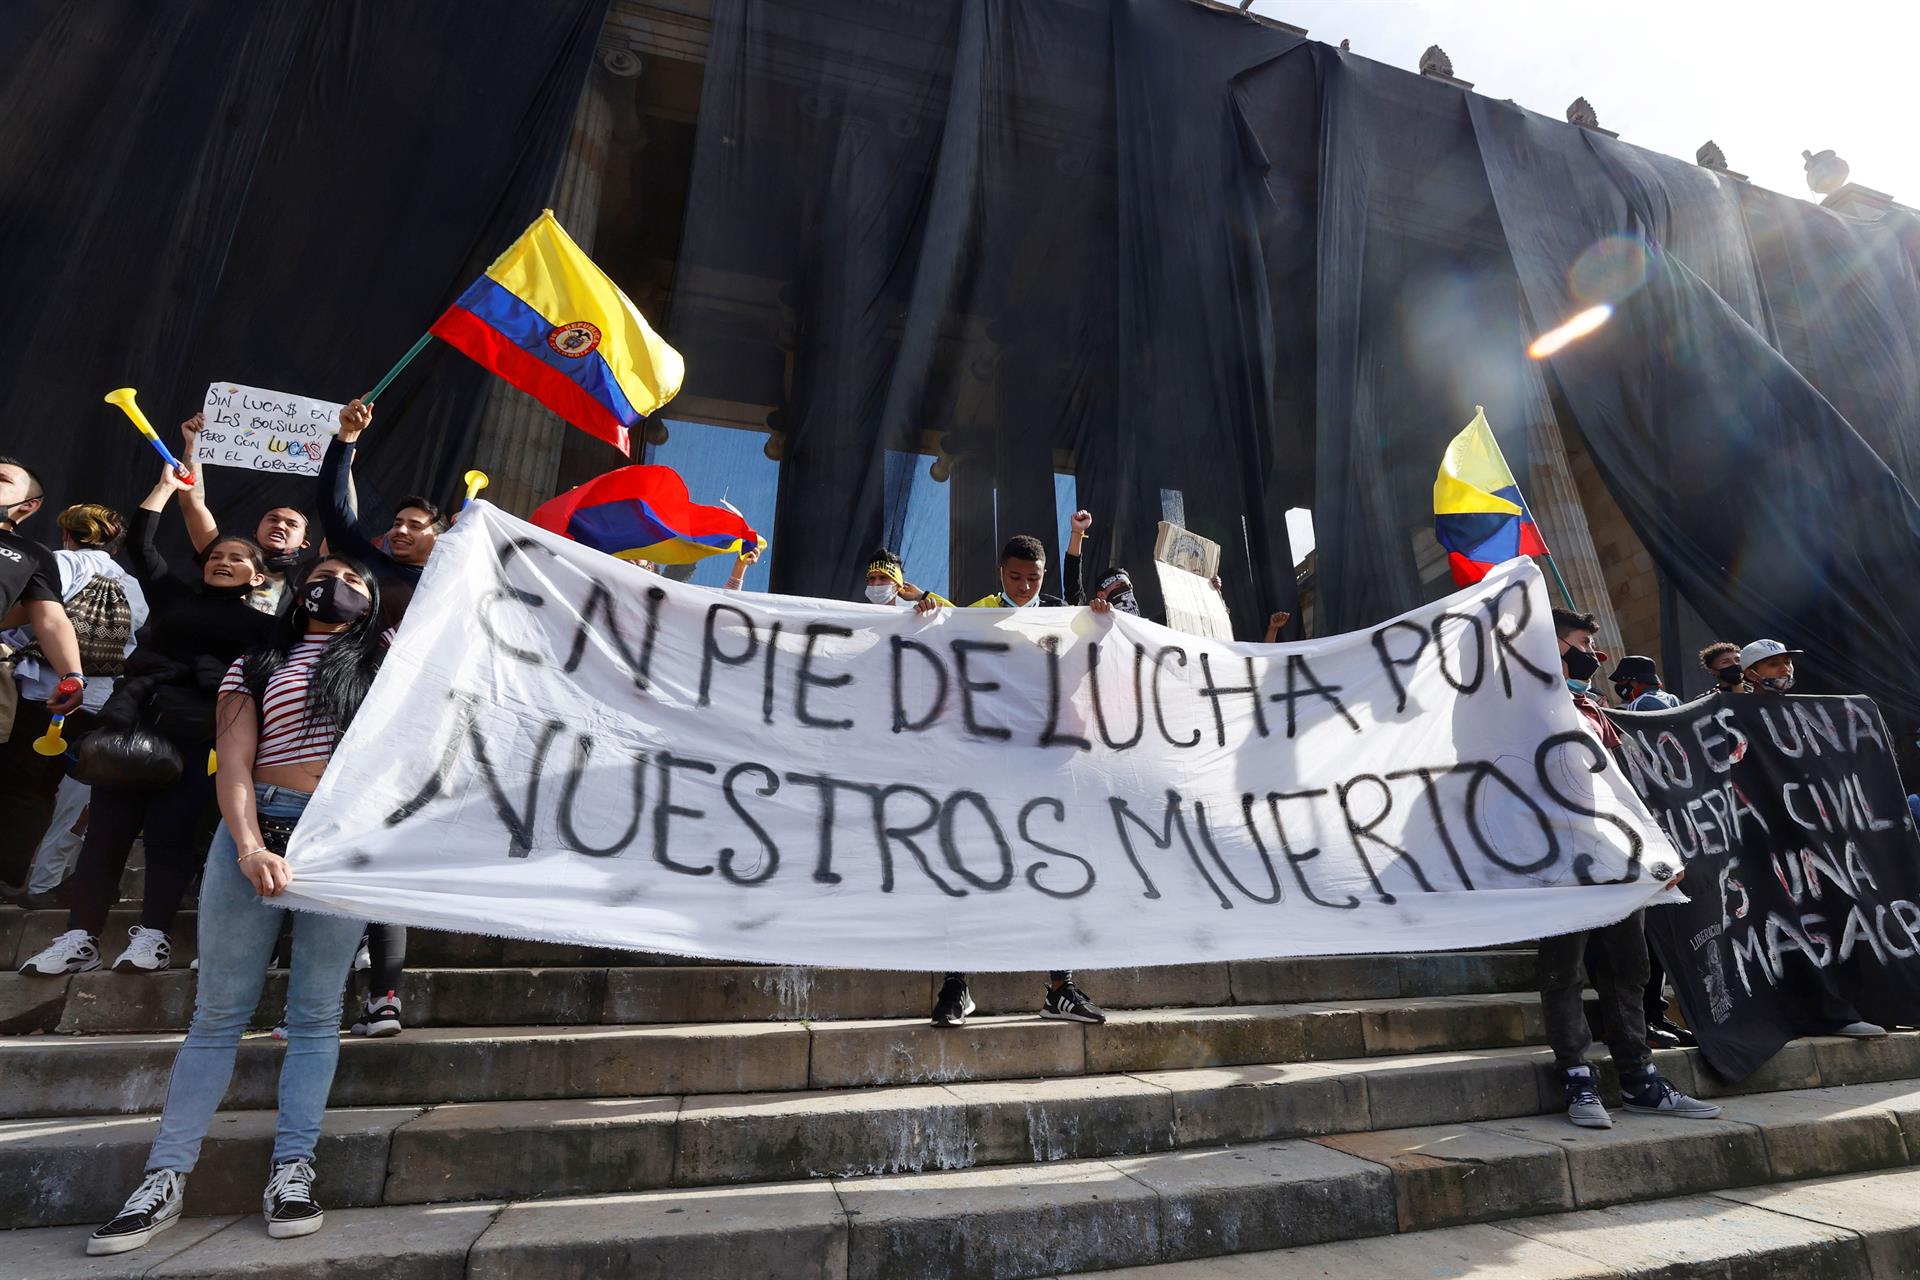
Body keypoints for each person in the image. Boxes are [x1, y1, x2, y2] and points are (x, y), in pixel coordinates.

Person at [85, 556, 384, 1256]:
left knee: (315, 1014)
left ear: (373, 603)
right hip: (256, 831)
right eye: (327, 572)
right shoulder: (255, 661)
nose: (338, 584)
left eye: (356, 579)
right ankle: (165, 1176)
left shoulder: (387, 663)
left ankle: (293, 1167)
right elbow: (237, 761)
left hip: (340, 841)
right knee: (219, 1013)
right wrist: (250, 848)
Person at [19, 466, 275, 977]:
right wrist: (165, 485)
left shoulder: (266, 629)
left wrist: (219, 677)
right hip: (133, 727)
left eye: (238, 558)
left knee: (171, 836)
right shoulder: (173, 596)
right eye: (217, 554)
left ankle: (154, 936)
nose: (224, 561)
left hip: (200, 740)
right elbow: (142, 542)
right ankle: (79, 937)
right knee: (105, 834)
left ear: (258, 576)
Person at [1535, 607, 1720, 1128]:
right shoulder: (1521, 706)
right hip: (1557, 863)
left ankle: (1639, 1076)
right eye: (1581, 647)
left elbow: (1621, 790)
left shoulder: (1590, 707)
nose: (1595, 658)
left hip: (1617, 858)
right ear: (1551, 646)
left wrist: (1656, 853)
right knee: (1564, 970)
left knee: (1629, 967)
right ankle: (1575, 1075)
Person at [917, 518, 1104, 1029]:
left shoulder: (1061, 617)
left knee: (1052, 868)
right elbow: (941, 623)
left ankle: (1060, 987)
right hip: (983, 765)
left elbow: (1089, 616)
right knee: (966, 865)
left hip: (1043, 766)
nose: (1025, 588)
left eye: (1034, 580)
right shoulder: (979, 613)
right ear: (1002, 572)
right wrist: (927, 608)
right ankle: (956, 984)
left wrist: (1078, 550)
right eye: (1017, 578)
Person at [1738, 637, 1884, 1038]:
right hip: (1770, 846)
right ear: (1750, 674)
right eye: (1772, 665)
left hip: (1822, 844)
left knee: (1840, 918)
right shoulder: (1732, 715)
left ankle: (1856, 1004)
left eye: (1786, 663)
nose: (1784, 671)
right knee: (1793, 927)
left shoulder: (1810, 713)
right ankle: (1820, 1011)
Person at [0, 502, 148, 889]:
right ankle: (44, 882)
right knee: (67, 793)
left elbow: (29, 616)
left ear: (67, 533)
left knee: (21, 786)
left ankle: (9, 874)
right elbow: (133, 640)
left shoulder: (54, 563)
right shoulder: (131, 585)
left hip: (39, 692)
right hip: (95, 699)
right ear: (115, 546)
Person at [318, 398, 444, 626]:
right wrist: (348, 435)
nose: (400, 530)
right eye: (397, 523)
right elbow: (332, 503)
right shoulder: (365, 561)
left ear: (440, 540)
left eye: (415, 526)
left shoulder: (447, 586)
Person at [177, 413, 314, 614]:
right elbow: (192, 503)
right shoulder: (223, 554)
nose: (279, 525)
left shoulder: (309, 578)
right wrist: (194, 446)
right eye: (272, 519)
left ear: (304, 542)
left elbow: (341, 526)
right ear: (255, 531)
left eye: (292, 524)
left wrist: (343, 458)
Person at [0, 457, 88, 723]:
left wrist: (72, 676)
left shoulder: (34, 555)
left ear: (28, 505)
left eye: (2, 480)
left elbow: (50, 619)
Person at [864, 547, 950, 609]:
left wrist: (920, 596)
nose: (876, 583)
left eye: (883, 577)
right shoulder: (859, 616)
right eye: (872, 578)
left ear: (898, 585)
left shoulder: (916, 613)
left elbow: (957, 619)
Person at [1609, 655, 1681, 711]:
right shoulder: (1673, 699)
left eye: (1621, 681)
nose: (1619, 685)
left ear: (1635, 681)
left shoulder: (1639, 705)